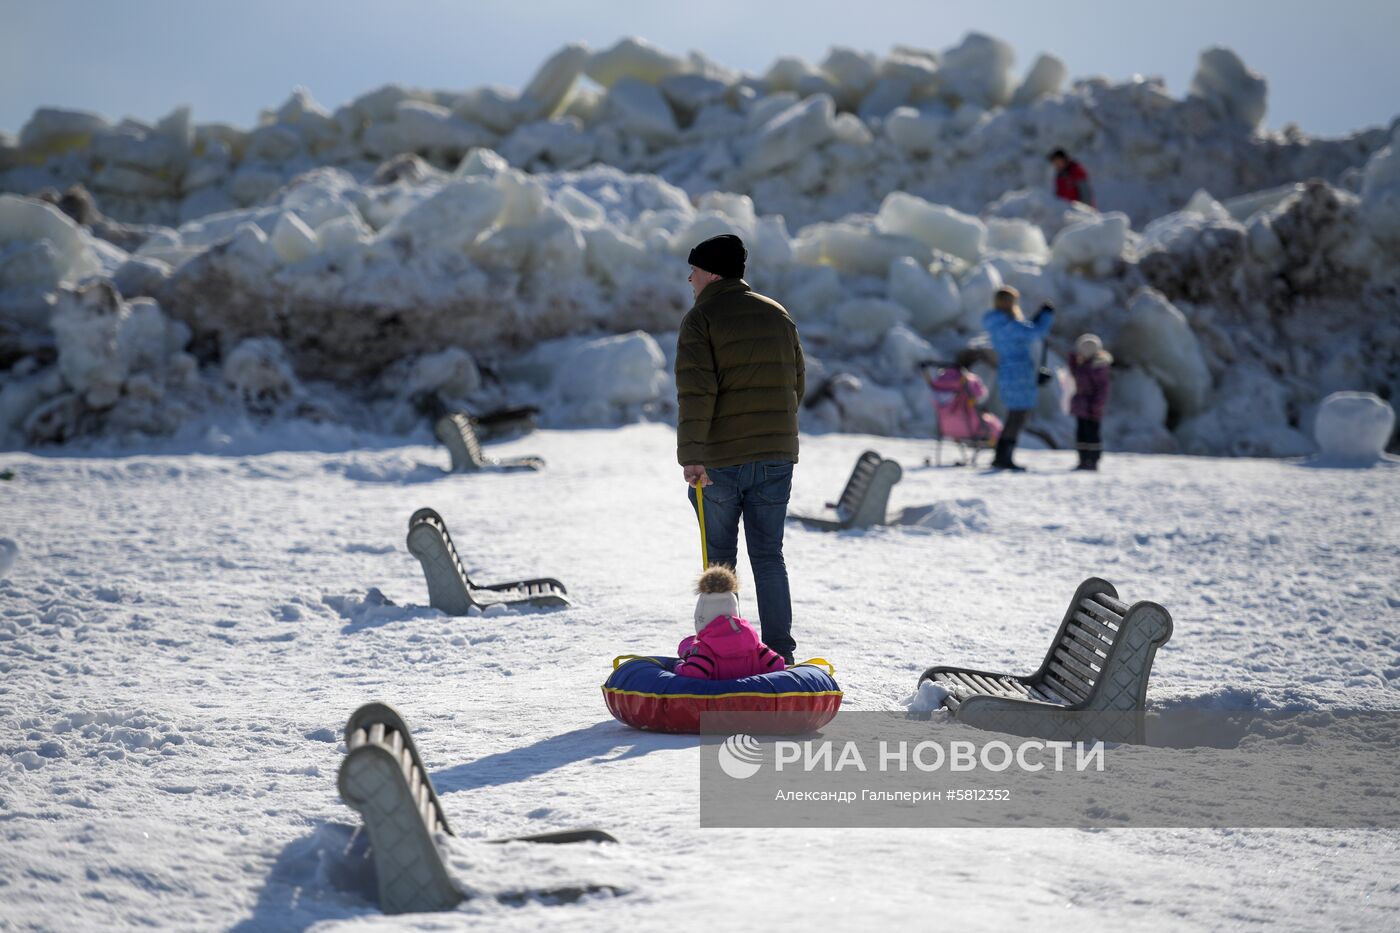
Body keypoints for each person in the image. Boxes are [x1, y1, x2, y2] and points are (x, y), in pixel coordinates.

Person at [675, 233, 804, 664]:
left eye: (694, 270)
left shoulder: (701, 319)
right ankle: (780, 654)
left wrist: (692, 455)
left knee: (720, 561)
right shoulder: (777, 314)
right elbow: (796, 383)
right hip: (776, 456)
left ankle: (720, 652)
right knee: (769, 556)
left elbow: (696, 394)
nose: (690, 279)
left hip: (721, 461)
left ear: (712, 273)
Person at [982, 287, 1054, 471]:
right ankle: (1003, 457)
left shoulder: (997, 323)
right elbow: (1035, 332)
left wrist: (1037, 318)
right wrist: (1045, 316)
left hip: (1007, 371)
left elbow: (1026, 330)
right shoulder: (1008, 324)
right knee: (1018, 415)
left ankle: (1002, 455)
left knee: (1014, 415)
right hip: (1019, 372)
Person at [675, 565, 786, 679]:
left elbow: (693, 673)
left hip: (717, 690)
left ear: (701, 619)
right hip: (752, 689)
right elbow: (777, 664)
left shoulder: (704, 649)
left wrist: (678, 665)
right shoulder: (754, 644)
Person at [1069, 333, 1113, 471]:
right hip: (1081, 405)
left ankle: (1093, 460)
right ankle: (1083, 459)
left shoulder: (1099, 367)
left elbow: (1102, 390)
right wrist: (1072, 357)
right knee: (1081, 433)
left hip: (1092, 408)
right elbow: (1073, 371)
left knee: (1092, 434)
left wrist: (1096, 406)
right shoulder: (1082, 365)